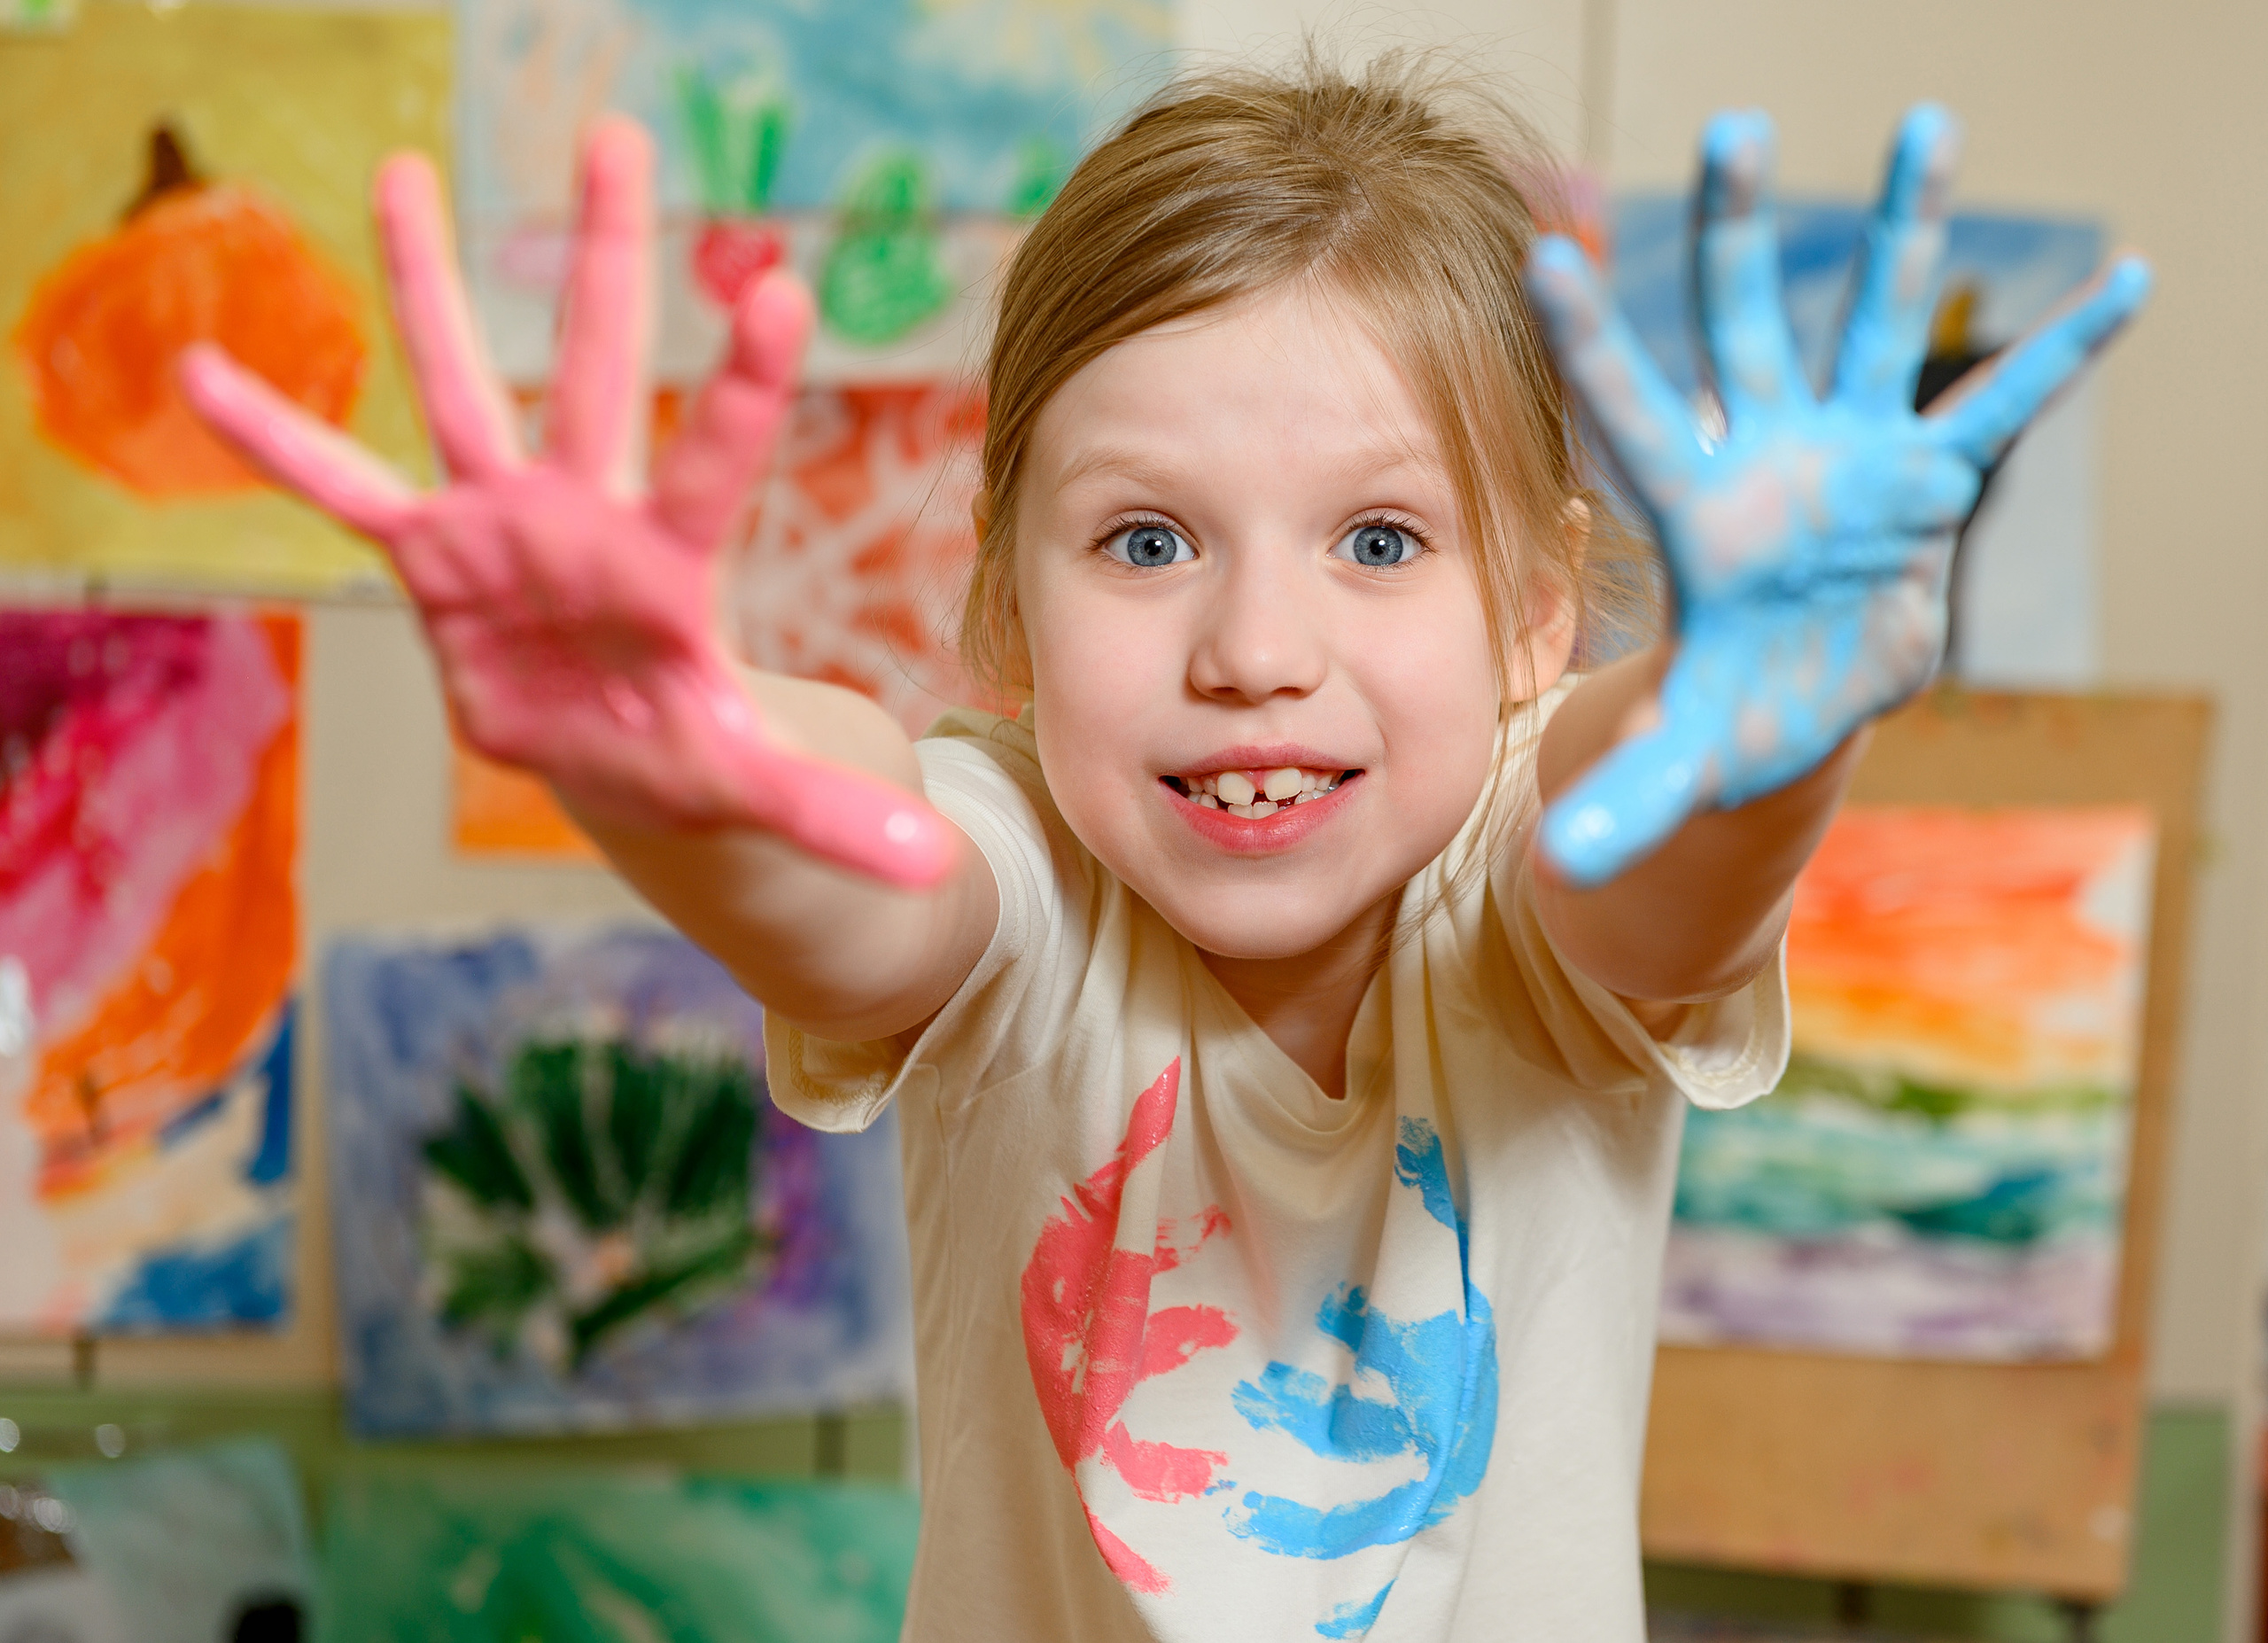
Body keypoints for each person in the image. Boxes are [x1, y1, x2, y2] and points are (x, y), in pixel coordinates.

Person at [183, 54, 2148, 1643]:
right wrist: (670, 753)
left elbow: (1649, 854)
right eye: (1145, 540)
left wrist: (1756, 718)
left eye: (1377, 540)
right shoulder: (1029, 882)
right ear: (1007, 604)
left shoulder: (1531, 883)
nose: (1254, 650)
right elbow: (857, 864)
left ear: (1540, 611)